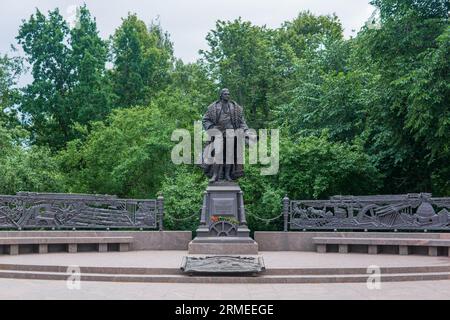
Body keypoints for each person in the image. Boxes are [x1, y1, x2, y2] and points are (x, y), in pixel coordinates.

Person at [201, 88, 249, 182]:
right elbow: (205, 119)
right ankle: (215, 176)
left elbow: (241, 122)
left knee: (229, 155)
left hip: (231, 133)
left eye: (228, 94)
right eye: (225, 94)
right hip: (218, 133)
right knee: (218, 154)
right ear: (221, 95)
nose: (227, 95)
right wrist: (212, 127)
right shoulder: (213, 107)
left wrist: (246, 131)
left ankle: (227, 175)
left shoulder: (235, 108)